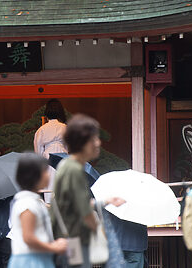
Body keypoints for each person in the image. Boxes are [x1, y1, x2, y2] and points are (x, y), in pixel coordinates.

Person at [52, 114, 125, 268]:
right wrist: (102, 234)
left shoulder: (67, 166)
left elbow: (75, 203)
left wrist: (106, 201)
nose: (98, 143)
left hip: (69, 241)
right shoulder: (74, 170)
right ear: (83, 142)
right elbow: (84, 212)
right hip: (75, 243)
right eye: (94, 138)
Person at [8, 153, 68, 268]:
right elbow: (28, 238)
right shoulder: (27, 202)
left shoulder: (33, 200)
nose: (48, 175)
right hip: (30, 261)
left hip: (38, 258)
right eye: (45, 171)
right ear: (34, 176)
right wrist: (53, 247)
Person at [34, 99, 68, 203]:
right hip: (63, 157)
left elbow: (38, 148)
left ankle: (49, 208)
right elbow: (69, 146)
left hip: (47, 157)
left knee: (49, 187)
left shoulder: (42, 129)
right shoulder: (65, 128)